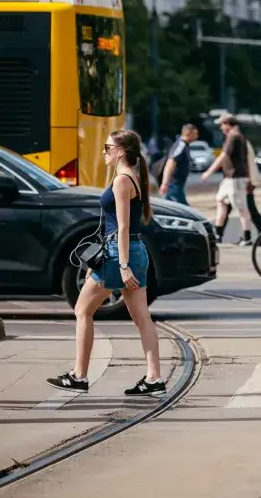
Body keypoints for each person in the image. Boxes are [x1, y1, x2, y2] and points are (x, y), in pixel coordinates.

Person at [48, 129, 166, 397]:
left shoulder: (122, 181)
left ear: (121, 151)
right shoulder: (130, 178)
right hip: (132, 251)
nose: (104, 152)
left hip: (119, 254)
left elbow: (122, 227)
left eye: (107, 147)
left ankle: (79, 375)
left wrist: (122, 266)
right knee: (141, 317)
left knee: (82, 310)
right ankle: (154, 377)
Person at [202, 114, 252, 244]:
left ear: (227, 124)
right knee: (221, 201)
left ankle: (247, 237)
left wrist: (209, 172)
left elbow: (223, 156)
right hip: (229, 178)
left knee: (241, 207)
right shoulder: (236, 136)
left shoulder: (234, 137)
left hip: (235, 177)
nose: (221, 128)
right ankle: (218, 234)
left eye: (222, 125)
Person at [158, 123, 198, 205]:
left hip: (176, 185)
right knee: (183, 211)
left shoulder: (184, 145)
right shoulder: (181, 145)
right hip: (173, 184)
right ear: (188, 133)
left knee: (171, 209)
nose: (196, 136)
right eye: (195, 134)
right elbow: (171, 163)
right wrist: (165, 183)